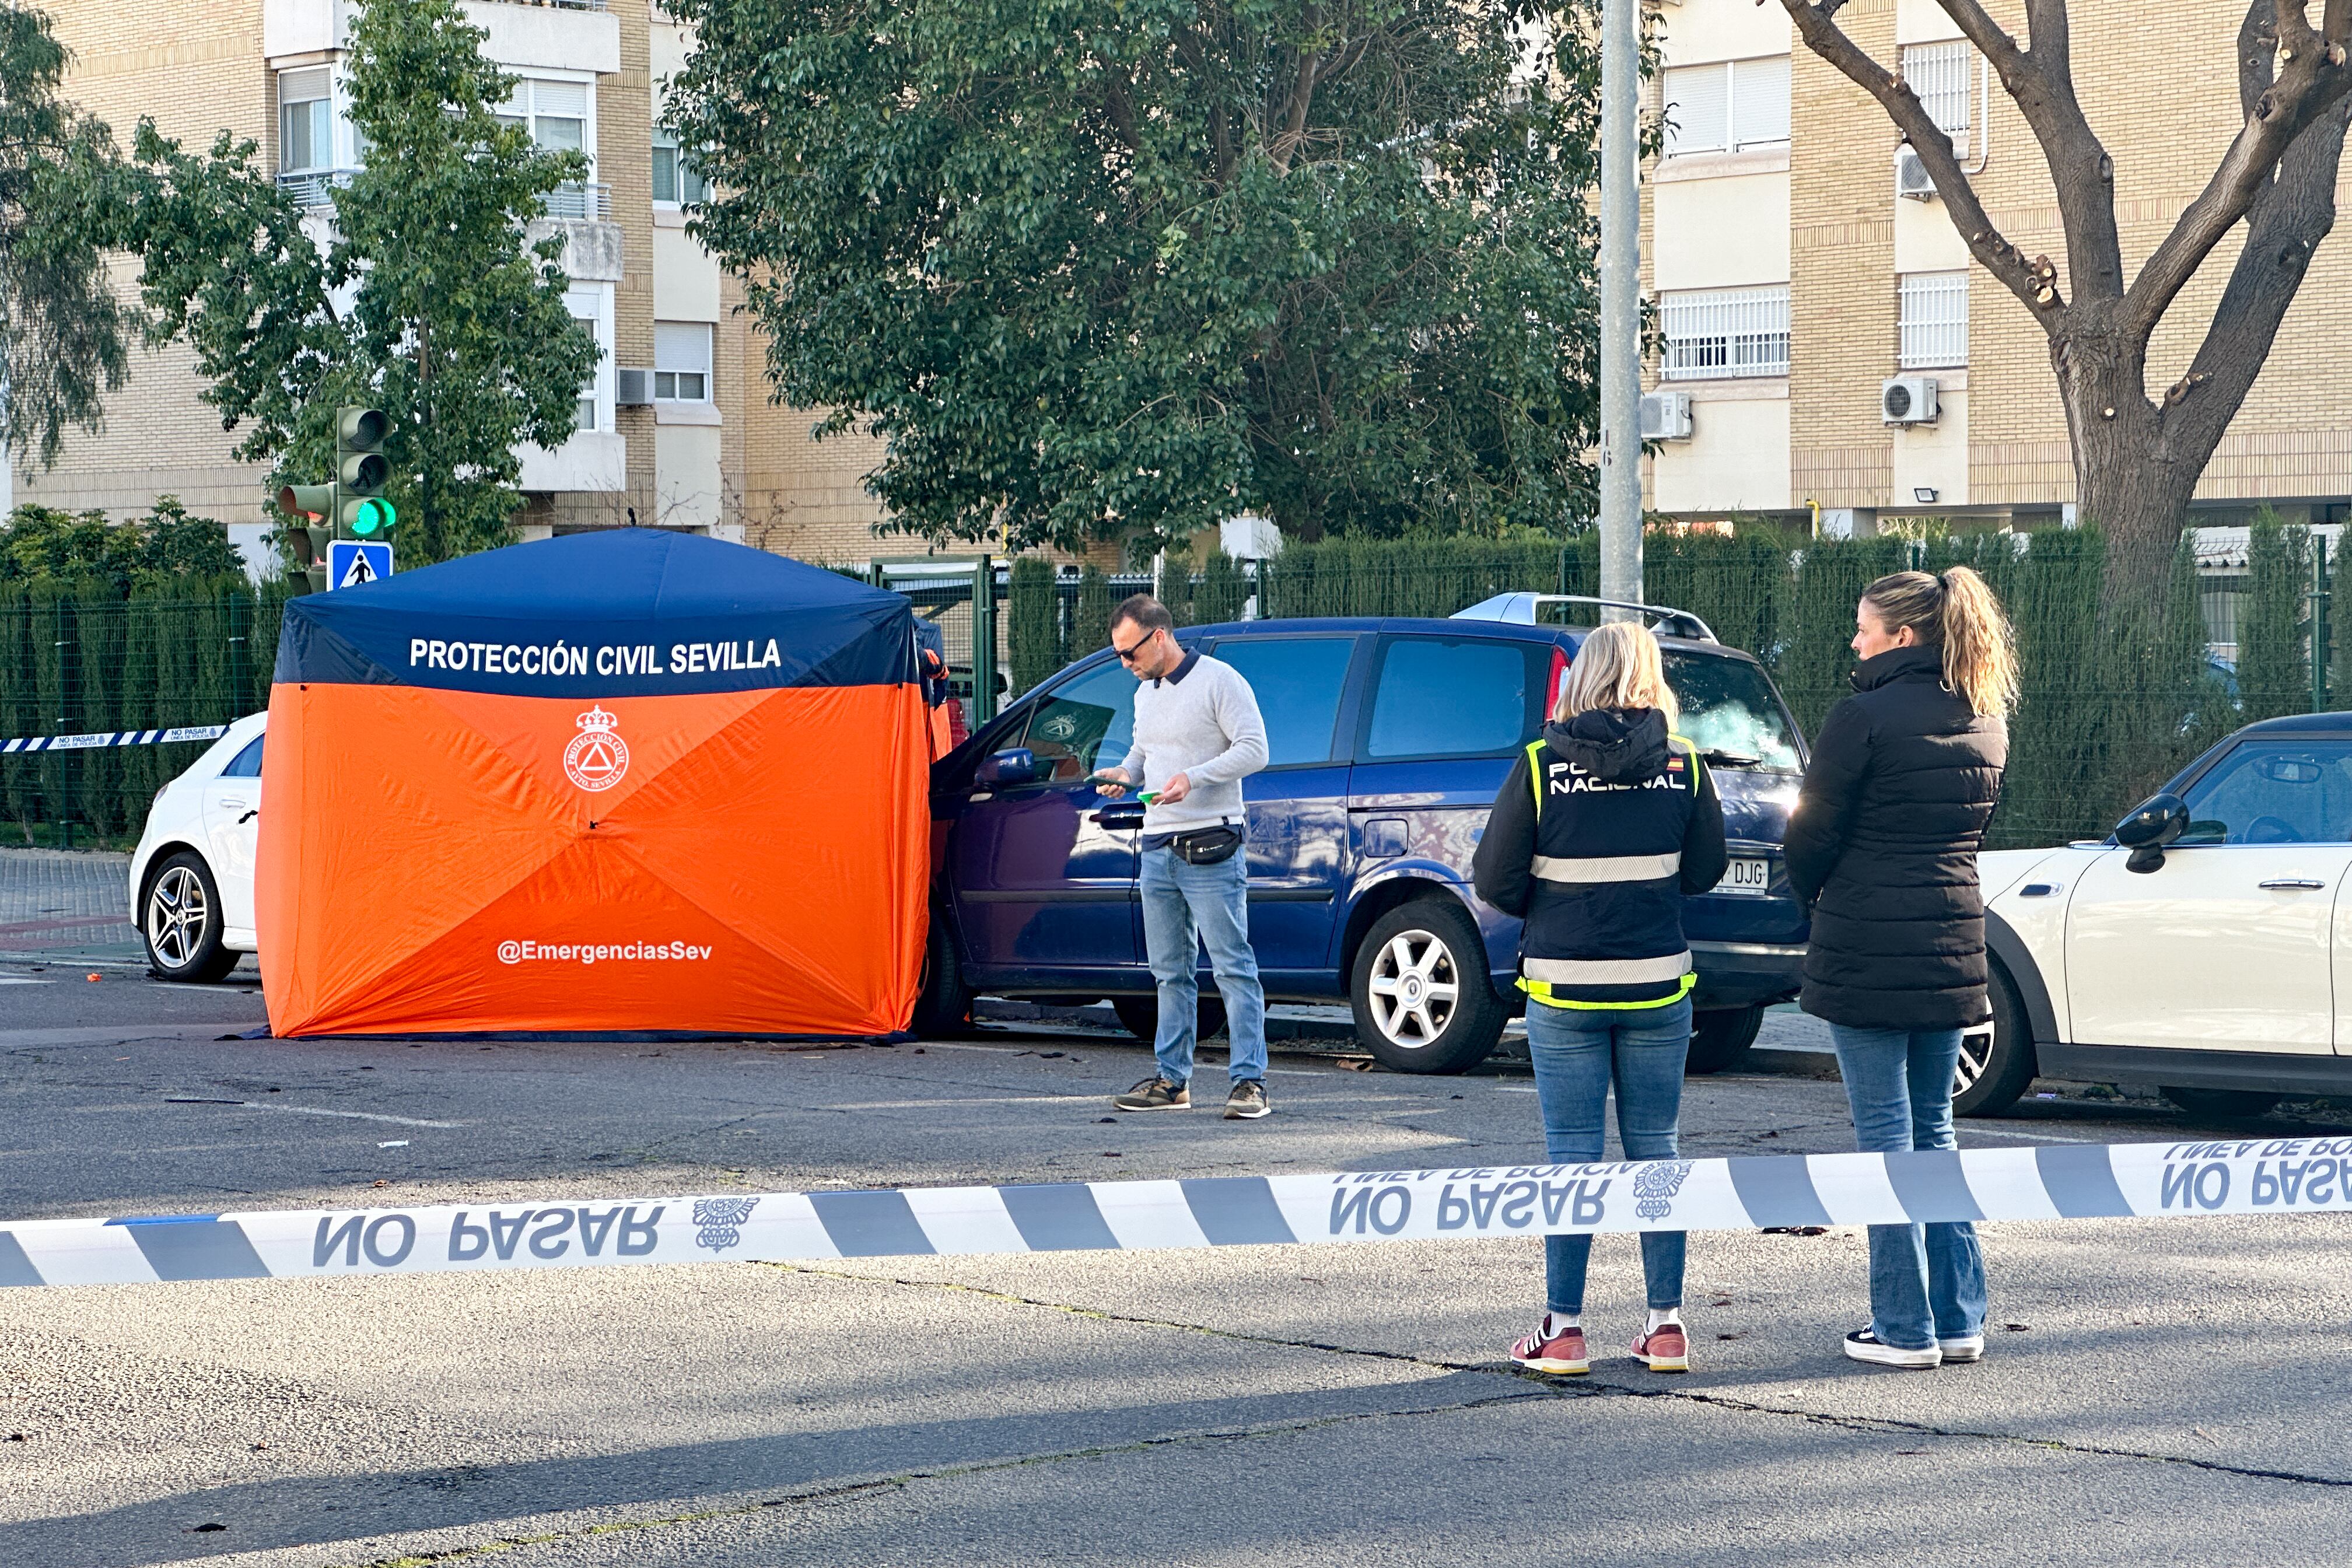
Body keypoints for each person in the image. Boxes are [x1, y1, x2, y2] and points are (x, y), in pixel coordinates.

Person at [1472, 621, 1726, 1376]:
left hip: (1566, 987)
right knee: (1658, 1152)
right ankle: (1666, 1326)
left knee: (1572, 1160)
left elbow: (1493, 881)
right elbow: (1706, 869)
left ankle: (1566, 1329)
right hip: (1656, 985)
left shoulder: (1541, 766)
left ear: (1582, 676)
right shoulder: (1683, 765)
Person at [1783, 566, 2015, 1371]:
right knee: (1936, 1132)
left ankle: (1903, 1329)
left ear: (1902, 636)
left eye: (1864, 627)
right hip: (1952, 944)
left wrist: (1814, 896)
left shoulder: (1863, 717)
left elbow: (1810, 833)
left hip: (1867, 945)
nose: (1855, 639)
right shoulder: (1986, 719)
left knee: (1884, 1139)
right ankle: (1959, 1319)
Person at [1092, 594, 1273, 1119]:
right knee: (1169, 972)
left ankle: (1249, 1083)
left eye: (1130, 653)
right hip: (1158, 844)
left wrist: (1193, 778)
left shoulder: (1220, 680)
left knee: (1233, 967)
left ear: (1160, 636)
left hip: (1211, 842)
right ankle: (1173, 1081)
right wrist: (1123, 777)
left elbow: (1255, 749)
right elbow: (1143, 754)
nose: (1125, 664)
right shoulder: (1145, 694)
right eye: (1119, 656)